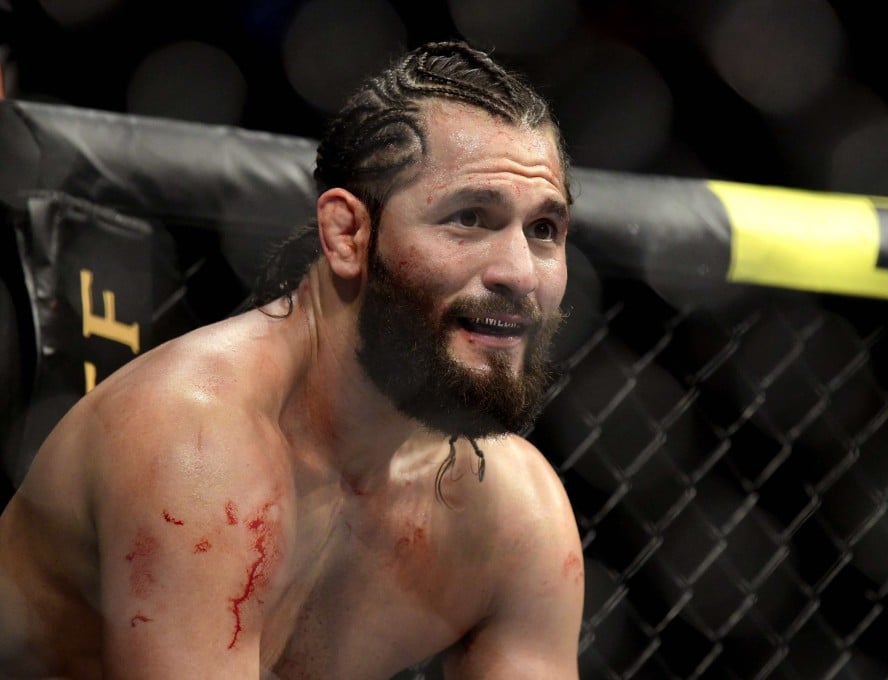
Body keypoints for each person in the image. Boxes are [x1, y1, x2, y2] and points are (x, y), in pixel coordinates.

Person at [0, 40, 584, 678]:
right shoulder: (196, 447)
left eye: (543, 230)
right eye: (470, 217)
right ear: (347, 234)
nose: (520, 273)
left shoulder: (515, 512)